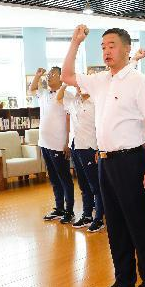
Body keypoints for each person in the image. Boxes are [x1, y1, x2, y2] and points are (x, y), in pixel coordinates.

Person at [61, 25, 145, 287]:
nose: (106, 51)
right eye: (103, 46)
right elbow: (67, 75)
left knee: (140, 226)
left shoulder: (139, 81)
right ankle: (124, 283)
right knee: (116, 226)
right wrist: (75, 42)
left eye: (112, 45)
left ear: (127, 49)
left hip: (132, 161)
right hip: (105, 161)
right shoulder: (100, 80)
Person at [57, 82, 105, 232]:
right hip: (76, 147)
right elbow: (58, 98)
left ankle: (99, 218)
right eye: (78, 85)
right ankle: (87, 215)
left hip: (90, 147)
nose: (79, 88)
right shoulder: (74, 102)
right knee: (83, 185)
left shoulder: (96, 103)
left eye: (83, 85)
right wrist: (65, 84)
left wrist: (99, 148)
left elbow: (102, 127)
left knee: (95, 186)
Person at [29, 67, 74, 224]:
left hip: (58, 144)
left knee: (64, 178)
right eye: (48, 74)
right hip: (44, 143)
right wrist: (38, 75)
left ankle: (69, 211)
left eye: (53, 74)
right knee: (54, 178)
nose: (49, 76)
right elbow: (32, 89)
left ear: (61, 78)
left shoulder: (66, 95)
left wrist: (68, 142)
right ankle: (59, 208)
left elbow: (69, 120)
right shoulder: (44, 93)